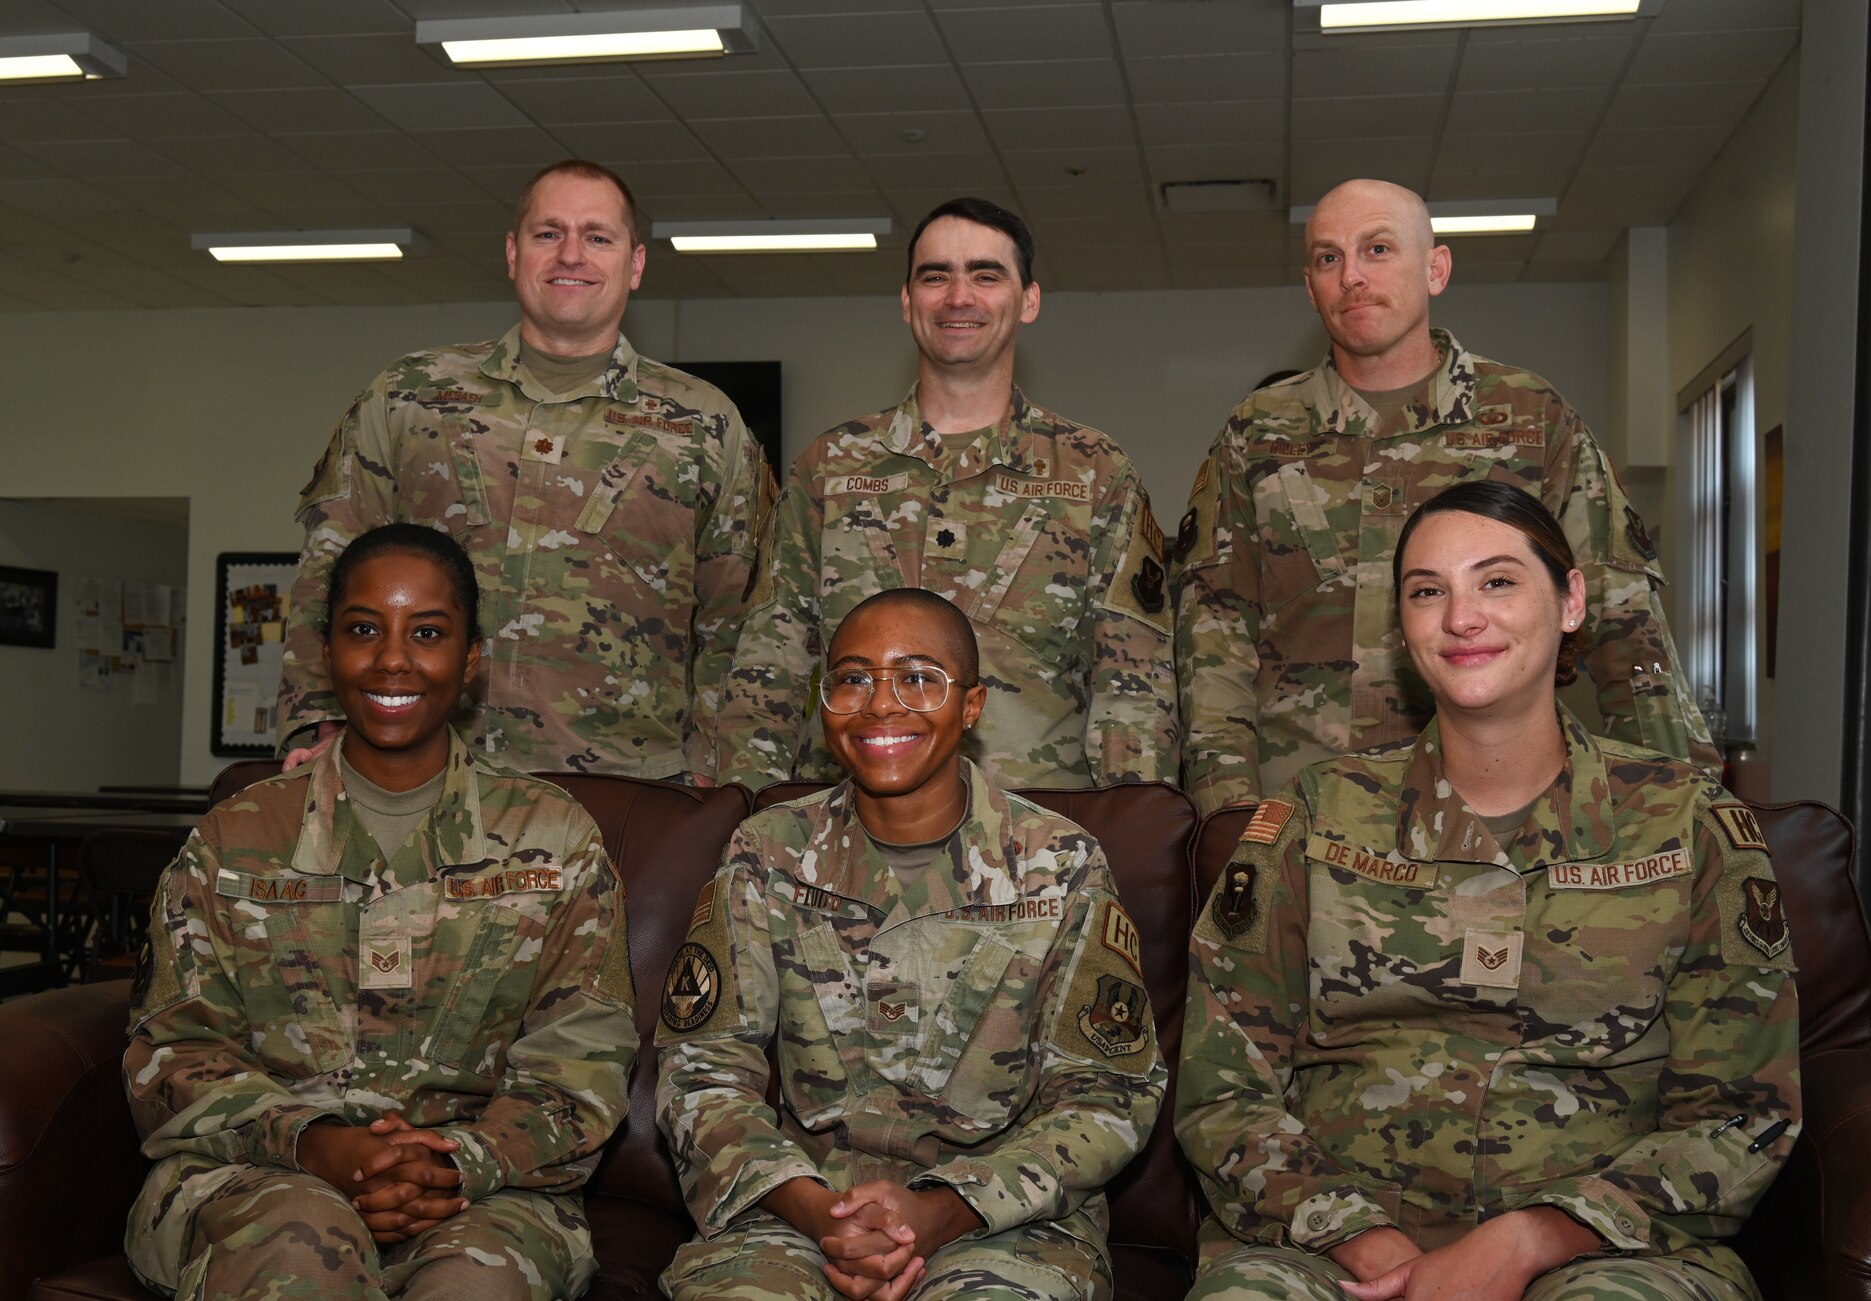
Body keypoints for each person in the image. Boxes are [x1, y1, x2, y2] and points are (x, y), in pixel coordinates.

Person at [1175, 480, 1799, 1301]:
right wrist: (1367, 1241)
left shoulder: (1690, 825)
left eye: (1497, 581)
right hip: (1326, 1247)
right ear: (1403, 627)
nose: (1462, 617)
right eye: (1427, 591)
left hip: (1612, 1247)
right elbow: (1223, 1091)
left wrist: (1537, 1235)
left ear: (1571, 600)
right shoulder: (1312, 816)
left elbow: (1741, 1110)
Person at [125, 523, 638, 1300]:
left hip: (484, 1192)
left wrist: (455, 1160)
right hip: (259, 1180)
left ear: (471, 661)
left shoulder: (554, 840)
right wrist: (319, 1146)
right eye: (363, 629)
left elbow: (583, 1064)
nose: (393, 658)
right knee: (303, 1253)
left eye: (427, 633)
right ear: (328, 651)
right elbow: (174, 1054)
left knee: (476, 1283)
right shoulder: (236, 836)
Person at [657, 588, 1165, 1301]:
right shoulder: (769, 851)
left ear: (973, 705)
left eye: (919, 677)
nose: (880, 704)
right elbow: (702, 1071)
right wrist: (821, 1212)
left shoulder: (1061, 863)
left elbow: (1108, 1094)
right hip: (798, 1210)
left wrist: (942, 1210)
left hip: (1003, 1224)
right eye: (852, 678)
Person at [1172, 178, 1718, 818]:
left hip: (1503, 807)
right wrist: (1228, 814)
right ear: (1310, 285)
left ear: (1436, 268)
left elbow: (1623, 623)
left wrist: (1684, 807)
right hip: (1306, 811)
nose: (1351, 276)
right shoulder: (1257, 433)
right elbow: (1213, 641)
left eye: (1377, 250)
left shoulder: (1530, 419)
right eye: (1328, 258)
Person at [276, 158, 773, 781]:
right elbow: (330, 567)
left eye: (597, 237)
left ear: (635, 264)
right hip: (424, 777)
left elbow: (742, 620)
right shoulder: (410, 396)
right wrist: (319, 715)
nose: (571, 255)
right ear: (514, 253)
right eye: (548, 234)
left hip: (628, 791)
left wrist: (724, 774)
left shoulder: (705, 423)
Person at [714, 197, 1177, 793]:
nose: (959, 296)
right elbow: (767, 667)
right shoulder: (829, 467)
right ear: (908, 301)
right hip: (845, 837)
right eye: (936, 276)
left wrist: (1131, 829)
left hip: (1038, 843)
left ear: (1029, 300)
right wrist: (746, 813)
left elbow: (1133, 684)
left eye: (986, 275)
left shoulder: (1094, 473)